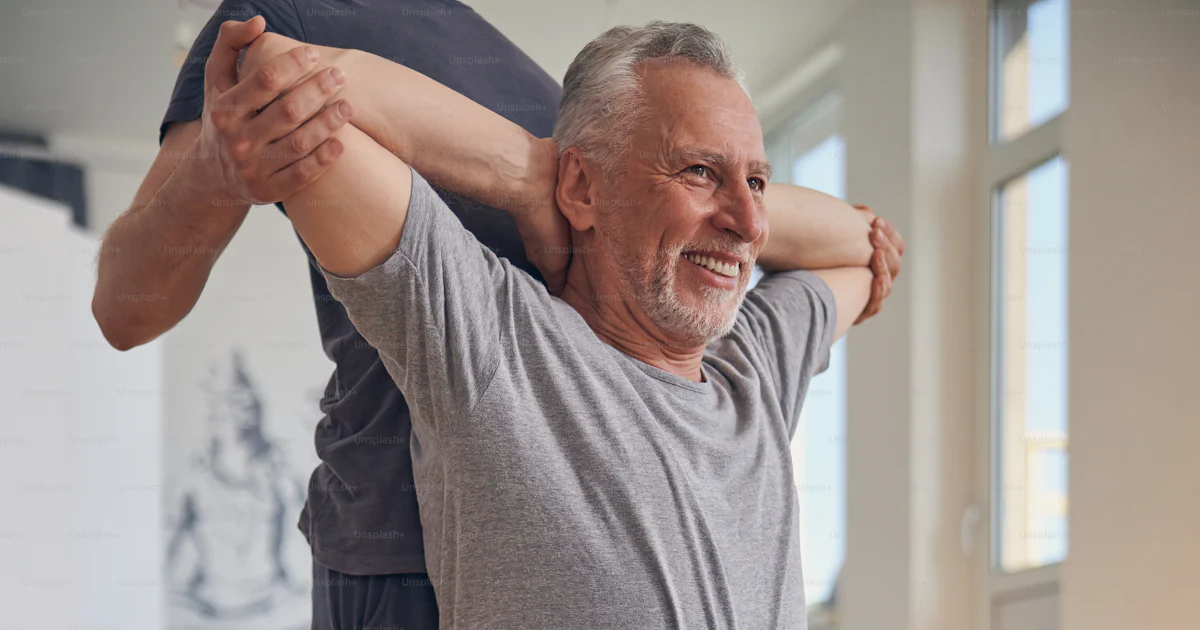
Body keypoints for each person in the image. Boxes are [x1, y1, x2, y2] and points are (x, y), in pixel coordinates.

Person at [93, 5, 901, 629]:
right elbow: (286, 85)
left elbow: (864, 248)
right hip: (395, 560)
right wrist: (531, 175)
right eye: (695, 168)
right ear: (583, 188)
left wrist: (721, 197)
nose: (753, 223)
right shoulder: (498, 340)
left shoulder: (749, 365)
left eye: (758, 183)